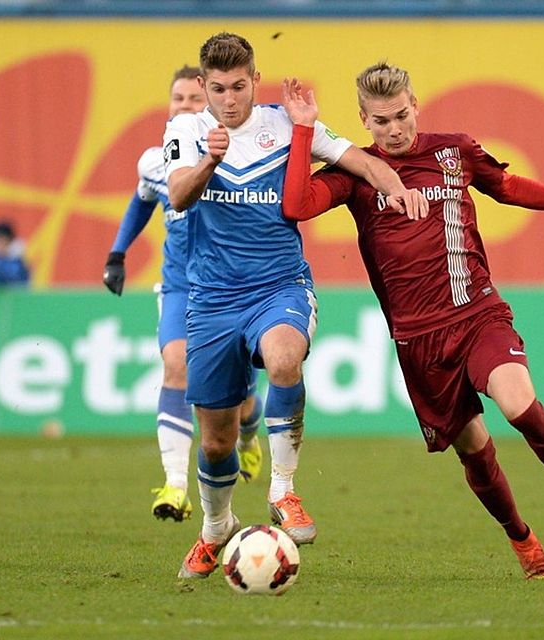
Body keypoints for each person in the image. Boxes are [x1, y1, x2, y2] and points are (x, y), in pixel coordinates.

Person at [281, 63, 544, 580]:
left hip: (476, 313)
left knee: (517, 402)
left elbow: (510, 187)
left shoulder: (454, 150)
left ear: (415, 105)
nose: (395, 129)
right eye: (381, 122)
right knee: (474, 449)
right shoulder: (356, 175)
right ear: (364, 120)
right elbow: (295, 204)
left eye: (402, 115)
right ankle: (526, 544)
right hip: (418, 339)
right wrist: (303, 129)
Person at [164, 34, 426, 579]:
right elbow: (179, 195)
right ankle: (215, 528)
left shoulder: (280, 124)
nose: (229, 99)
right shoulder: (186, 131)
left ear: (254, 81)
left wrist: (396, 186)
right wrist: (210, 163)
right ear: (204, 88)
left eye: (239, 86)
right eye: (217, 89)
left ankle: (284, 491)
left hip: (278, 286)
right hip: (211, 298)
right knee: (215, 442)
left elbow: (358, 159)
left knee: (285, 358)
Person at [103, 65, 265, 524]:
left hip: (231, 289)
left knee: (242, 405)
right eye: (179, 99)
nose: (186, 106)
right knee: (176, 364)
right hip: (181, 286)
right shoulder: (156, 162)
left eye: (195, 99)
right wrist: (117, 253)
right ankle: (175, 484)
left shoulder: (239, 156)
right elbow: (142, 199)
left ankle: (250, 438)